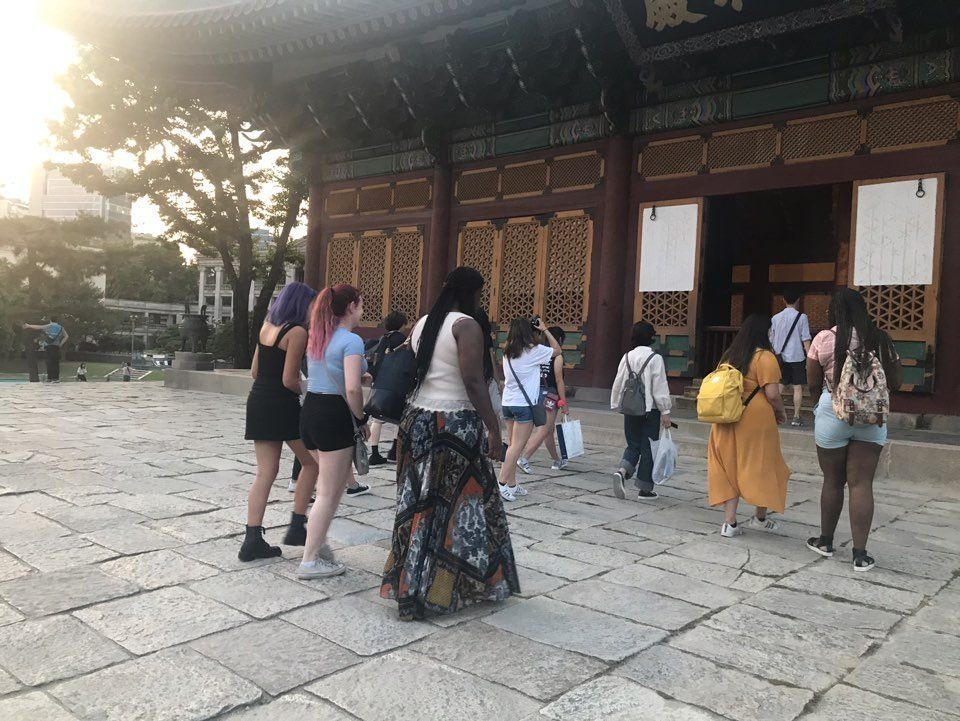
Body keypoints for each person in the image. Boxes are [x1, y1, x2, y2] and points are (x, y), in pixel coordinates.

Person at [380, 266, 518, 621]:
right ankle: (445, 589)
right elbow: (472, 380)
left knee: (419, 504)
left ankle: (409, 584)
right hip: (453, 423)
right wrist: (494, 427)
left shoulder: (424, 322)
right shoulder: (466, 326)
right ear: (475, 293)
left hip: (417, 420)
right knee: (458, 508)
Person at [805, 288, 901, 572]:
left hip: (833, 412)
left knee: (832, 481)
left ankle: (825, 541)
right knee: (862, 484)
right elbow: (895, 380)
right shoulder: (881, 339)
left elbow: (811, 380)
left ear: (834, 311)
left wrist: (820, 404)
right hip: (871, 419)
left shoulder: (825, 338)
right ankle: (860, 554)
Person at [239, 282, 320, 562]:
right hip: (282, 405)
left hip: (258, 400)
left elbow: (254, 371)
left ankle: (252, 538)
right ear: (302, 304)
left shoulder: (266, 328)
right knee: (312, 462)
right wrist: (309, 392)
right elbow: (289, 379)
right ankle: (298, 523)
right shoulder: (297, 332)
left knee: (265, 472)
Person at [297, 284, 370, 579]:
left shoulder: (318, 336)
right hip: (334, 415)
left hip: (311, 410)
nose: (363, 309)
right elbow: (353, 388)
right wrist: (361, 418)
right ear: (351, 306)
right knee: (328, 493)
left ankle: (318, 542)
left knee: (330, 488)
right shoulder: (351, 341)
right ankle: (309, 560)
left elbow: (338, 375)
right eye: (361, 303)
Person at [707, 314, 790, 537]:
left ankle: (729, 523)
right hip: (755, 417)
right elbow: (772, 394)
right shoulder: (766, 358)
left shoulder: (729, 355)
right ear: (765, 332)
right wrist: (781, 412)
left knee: (728, 466)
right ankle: (760, 518)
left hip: (726, 415)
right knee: (762, 463)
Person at [609, 321, 673, 500]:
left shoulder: (627, 356)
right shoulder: (655, 358)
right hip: (650, 410)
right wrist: (665, 411)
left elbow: (619, 381)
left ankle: (622, 471)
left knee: (633, 444)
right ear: (651, 337)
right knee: (648, 447)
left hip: (630, 407)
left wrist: (616, 402)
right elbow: (660, 386)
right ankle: (645, 489)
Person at [499, 317, 561, 500]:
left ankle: (512, 484)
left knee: (512, 446)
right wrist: (545, 329)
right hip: (523, 406)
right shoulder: (534, 351)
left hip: (508, 403)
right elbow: (557, 350)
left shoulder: (507, 352)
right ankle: (501, 484)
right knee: (517, 446)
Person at [519, 326, 570, 471]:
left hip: (536, 393)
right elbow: (559, 380)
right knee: (544, 429)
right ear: (559, 340)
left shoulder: (539, 353)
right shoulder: (557, 356)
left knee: (548, 429)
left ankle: (556, 460)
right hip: (550, 395)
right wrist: (564, 403)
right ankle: (524, 458)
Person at [368, 310, 408, 466]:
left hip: (379, 382)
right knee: (398, 419)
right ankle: (393, 451)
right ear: (402, 324)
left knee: (377, 419)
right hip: (395, 382)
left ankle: (375, 453)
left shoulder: (383, 338)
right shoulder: (402, 339)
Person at [770, 290, 812, 426]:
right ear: (798, 300)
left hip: (780, 356)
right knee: (797, 387)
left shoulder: (775, 318)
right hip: (797, 356)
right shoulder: (802, 317)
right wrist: (810, 357)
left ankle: (773, 413)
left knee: (780, 385)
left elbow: (772, 339)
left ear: (783, 300)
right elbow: (805, 338)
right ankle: (796, 416)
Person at [23, 317, 68, 382]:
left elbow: (38, 327)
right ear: (57, 321)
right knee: (55, 362)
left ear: (50, 320)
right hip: (56, 347)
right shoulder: (61, 328)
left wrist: (29, 326)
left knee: (49, 362)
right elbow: (66, 336)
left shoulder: (49, 326)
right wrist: (60, 344)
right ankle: (56, 378)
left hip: (49, 347)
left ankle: (50, 378)